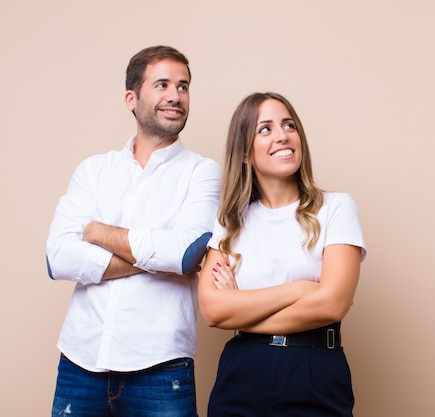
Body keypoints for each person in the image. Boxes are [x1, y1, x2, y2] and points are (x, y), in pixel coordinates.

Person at [46, 45, 221, 417]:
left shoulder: (202, 172)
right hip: (80, 362)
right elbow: (57, 258)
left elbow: (186, 253)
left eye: (183, 86)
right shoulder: (94, 171)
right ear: (131, 98)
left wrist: (97, 231)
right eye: (162, 85)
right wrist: (157, 256)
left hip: (160, 368)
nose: (175, 96)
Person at [198, 92, 367, 417]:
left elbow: (333, 303)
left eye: (289, 125)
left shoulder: (336, 208)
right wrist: (300, 289)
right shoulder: (229, 222)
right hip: (242, 372)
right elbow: (213, 311)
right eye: (265, 129)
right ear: (245, 153)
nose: (282, 135)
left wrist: (244, 310)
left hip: (313, 371)